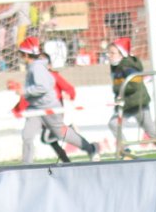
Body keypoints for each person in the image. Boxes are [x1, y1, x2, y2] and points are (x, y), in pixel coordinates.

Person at [15, 35, 98, 164]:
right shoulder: (36, 67)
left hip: (49, 107)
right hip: (36, 108)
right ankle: (26, 165)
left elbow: (44, 87)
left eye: (21, 54)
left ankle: (91, 148)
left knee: (61, 134)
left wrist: (24, 91)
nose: (20, 57)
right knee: (27, 135)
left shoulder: (36, 67)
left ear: (26, 55)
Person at [105, 36, 156, 157]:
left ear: (121, 53)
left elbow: (134, 84)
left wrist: (119, 90)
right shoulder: (115, 66)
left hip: (138, 104)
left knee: (151, 131)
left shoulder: (128, 66)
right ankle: (126, 149)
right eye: (109, 52)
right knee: (113, 124)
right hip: (125, 105)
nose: (109, 55)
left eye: (112, 53)